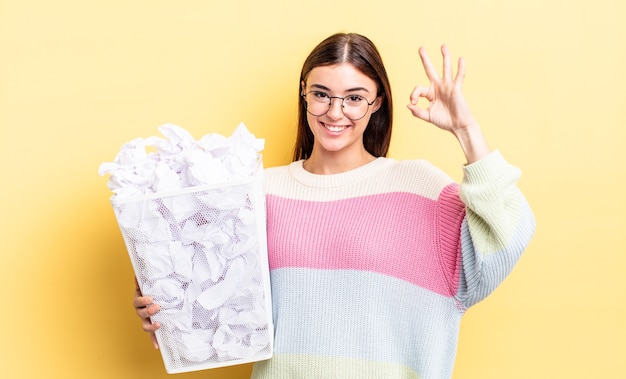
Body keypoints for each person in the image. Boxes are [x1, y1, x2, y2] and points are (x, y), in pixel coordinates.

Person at [133, 32, 536, 378]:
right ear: (304, 94)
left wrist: (466, 129)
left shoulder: (419, 187)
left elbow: (508, 233)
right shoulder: (257, 193)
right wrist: (167, 310)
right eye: (321, 95)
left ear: (377, 103)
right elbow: (214, 307)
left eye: (354, 98)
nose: (335, 112)